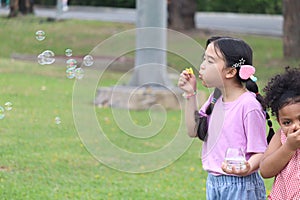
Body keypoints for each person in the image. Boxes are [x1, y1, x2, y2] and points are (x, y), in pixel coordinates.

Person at [178, 36, 270, 200]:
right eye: (204, 59)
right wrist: (190, 93)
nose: (202, 66)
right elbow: (193, 130)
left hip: (241, 186)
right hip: (214, 182)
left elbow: (261, 152)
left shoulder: (248, 105)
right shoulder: (215, 99)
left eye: (210, 61)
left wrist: (247, 167)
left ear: (230, 72)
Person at [260, 67, 300, 199]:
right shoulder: (281, 136)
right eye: (287, 122)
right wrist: (288, 147)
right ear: (279, 121)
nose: (296, 126)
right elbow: (265, 170)